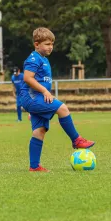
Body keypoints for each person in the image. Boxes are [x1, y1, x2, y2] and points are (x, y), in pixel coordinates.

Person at [19, 28, 94, 172]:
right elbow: (27, 78)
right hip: (31, 97)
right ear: (36, 44)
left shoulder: (44, 60)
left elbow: (42, 81)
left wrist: (42, 97)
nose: (51, 47)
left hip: (37, 98)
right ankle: (76, 140)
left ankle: (34, 166)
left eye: (52, 44)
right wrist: (43, 94)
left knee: (39, 131)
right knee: (63, 108)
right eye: (47, 44)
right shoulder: (34, 58)